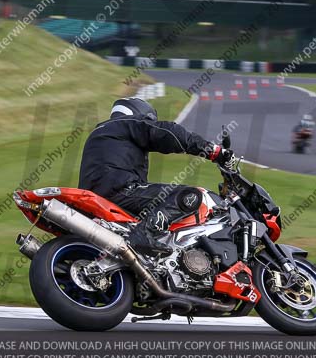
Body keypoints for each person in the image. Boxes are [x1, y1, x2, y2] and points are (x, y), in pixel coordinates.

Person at [78, 97, 235, 255]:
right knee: (190, 195)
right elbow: (168, 132)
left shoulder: (101, 132)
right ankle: (144, 233)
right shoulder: (129, 123)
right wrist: (213, 151)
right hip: (121, 190)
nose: (150, 122)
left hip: (94, 196)